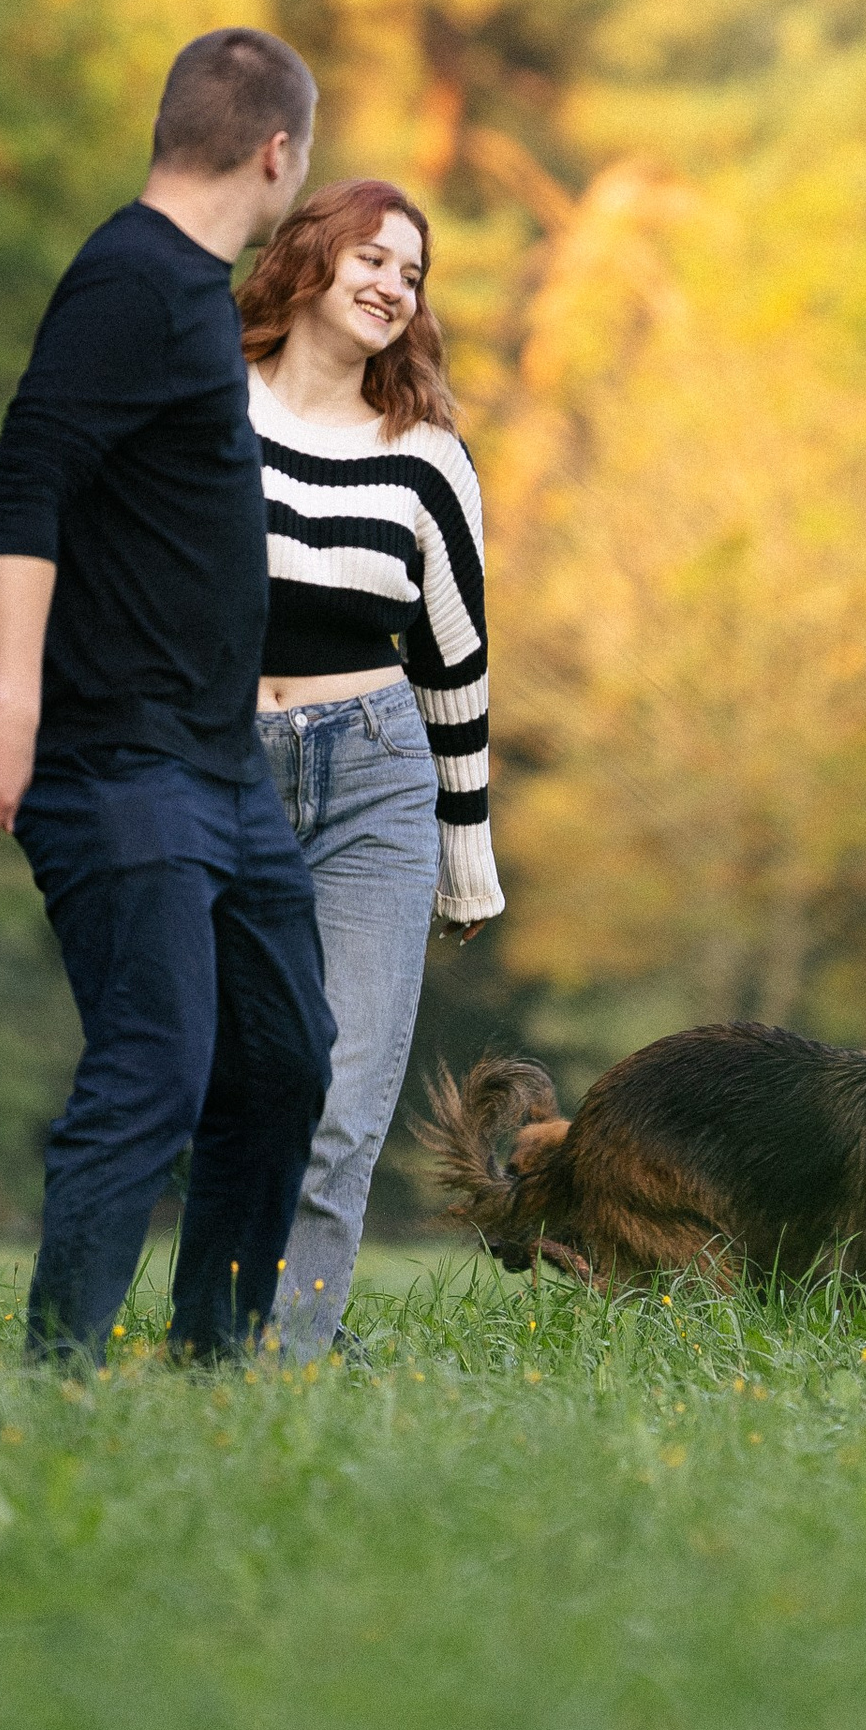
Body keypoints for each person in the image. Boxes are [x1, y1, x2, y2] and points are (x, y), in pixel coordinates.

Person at [0, 26, 334, 1368]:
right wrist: (11, 709)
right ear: (278, 153)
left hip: (218, 768)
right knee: (155, 1066)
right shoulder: (129, 280)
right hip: (118, 761)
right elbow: (22, 487)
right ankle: (59, 1377)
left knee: (281, 1057)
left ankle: (218, 1355)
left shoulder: (187, 294)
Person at [237, 179, 502, 1360]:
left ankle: (285, 1356)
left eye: (416, 272)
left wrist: (468, 855)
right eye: (375, 257)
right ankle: (229, 1317)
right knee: (233, 1074)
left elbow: (456, 662)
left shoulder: (428, 460)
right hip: (218, 764)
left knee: (345, 1100)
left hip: (376, 773)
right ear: (310, 257)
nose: (396, 284)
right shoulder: (207, 404)